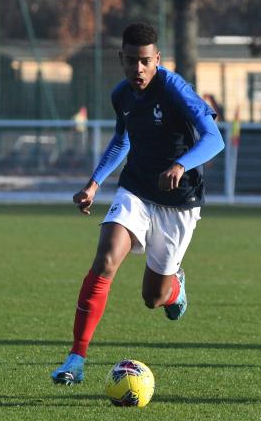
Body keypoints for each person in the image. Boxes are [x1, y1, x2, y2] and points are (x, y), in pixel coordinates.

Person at [51, 22, 224, 385]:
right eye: (131, 61)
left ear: (157, 59)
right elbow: (122, 140)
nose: (138, 69)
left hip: (179, 201)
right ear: (122, 59)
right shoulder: (122, 96)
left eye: (145, 61)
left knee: (153, 297)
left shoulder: (174, 88)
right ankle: (76, 359)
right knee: (105, 258)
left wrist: (181, 165)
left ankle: (175, 289)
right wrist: (94, 183)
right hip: (136, 189)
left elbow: (214, 138)